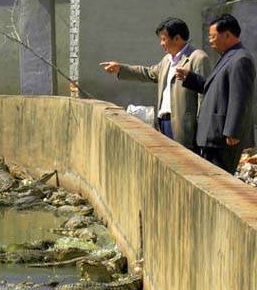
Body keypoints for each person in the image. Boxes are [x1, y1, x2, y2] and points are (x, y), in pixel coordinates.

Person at [100, 17, 210, 150]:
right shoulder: (167, 60)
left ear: (177, 38)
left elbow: (204, 94)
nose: (161, 43)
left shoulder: (197, 58)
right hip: (164, 122)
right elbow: (149, 73)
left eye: (164, 39)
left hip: (184, 126)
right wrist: (121, 69)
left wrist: (200, 126)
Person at [176, 13, 256, 174]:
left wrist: (232, 131)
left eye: (213, 36)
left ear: (227, 35)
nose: (210, 40)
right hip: (213, 134)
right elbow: (216, 89)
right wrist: (191, 78)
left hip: (223, 138)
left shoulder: (241, 59)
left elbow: (239, 98)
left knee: (219, 178)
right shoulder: (227, 56)